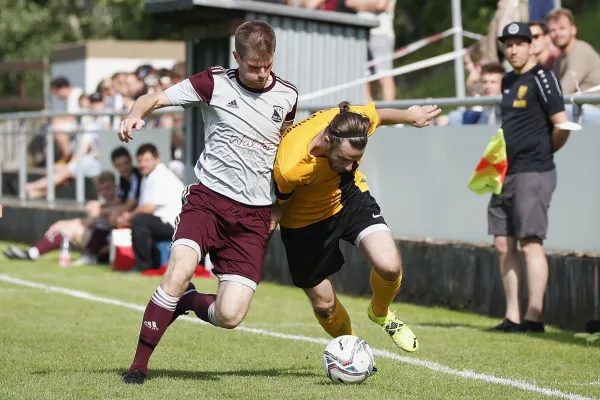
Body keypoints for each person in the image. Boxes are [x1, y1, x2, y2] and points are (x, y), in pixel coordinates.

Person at [117, 20, 298, 384]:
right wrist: (136, 115)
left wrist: (280, 205)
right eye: (253, 66)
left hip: (254, 217)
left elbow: (285, 155)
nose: (262, 74)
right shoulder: (213, 82)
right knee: (178, 270)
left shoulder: (288, 96)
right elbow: (152, 98)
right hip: (208, 201)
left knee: (230, 315)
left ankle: (186, 301)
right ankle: (138, 366)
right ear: (236, 57)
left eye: (267, 66)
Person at [272, 101, 440, 352]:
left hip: (348, 198)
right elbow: (280, 208)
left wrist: (410, 115)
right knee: (324, 305)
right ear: (328, 141)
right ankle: (353, 349)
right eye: (346, 159)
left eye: (357, 159)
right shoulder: (290, 166)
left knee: (390, 266)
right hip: (302, 222)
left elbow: (379, 115)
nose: (351, 166)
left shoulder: (352, 122)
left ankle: (380, 313)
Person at [489, 22, 573, 333]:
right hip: (505, 172)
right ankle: (512, 316)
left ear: (531, 45)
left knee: (530, 243)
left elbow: (562, 125)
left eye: (519, 43)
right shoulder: (509, 79)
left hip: (534, 171)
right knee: (502, 242)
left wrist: (545, 152)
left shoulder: (543, 76)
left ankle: (534, 318)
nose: (513, 49)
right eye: (508, 44)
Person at [4, 171, 121, 262]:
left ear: (115, 186)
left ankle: (33, 253)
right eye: (101, 189)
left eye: (108, 188)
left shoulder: (119, 203)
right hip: (100, 241)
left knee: (68, 230)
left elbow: (94, 222)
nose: (105, 192)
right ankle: (32, 253)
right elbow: (87, 222)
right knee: (65, 228)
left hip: (109, 244)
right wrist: (61, 224)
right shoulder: (101, 205)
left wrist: (97, 211)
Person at [115, 144, 184, 272]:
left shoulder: (160, 175)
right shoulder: (150, 176)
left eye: (147, 160)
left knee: (139, 221)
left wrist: (129, 216)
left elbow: (149, 208)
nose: (142, 164)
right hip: (165, 222)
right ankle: (149, 264)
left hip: (177, 225)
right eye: (140, 161)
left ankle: (143, 267)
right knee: (138, 221)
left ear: (157, 159)